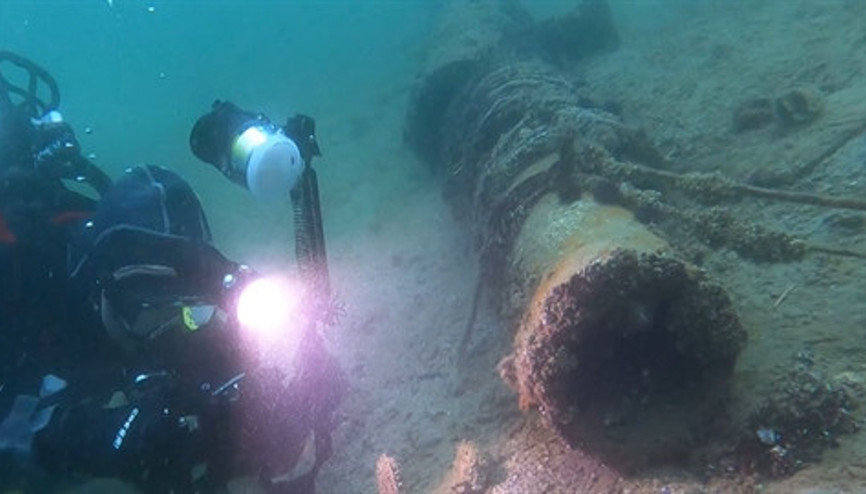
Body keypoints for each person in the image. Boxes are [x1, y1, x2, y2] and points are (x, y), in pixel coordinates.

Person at [0, 51, 344, 494]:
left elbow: (268, 436)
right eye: (148, 309)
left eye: (186, 305)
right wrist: (109, 436)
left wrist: (285, 392)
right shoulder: (28, 292)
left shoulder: (109, 247)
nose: (172, 323)